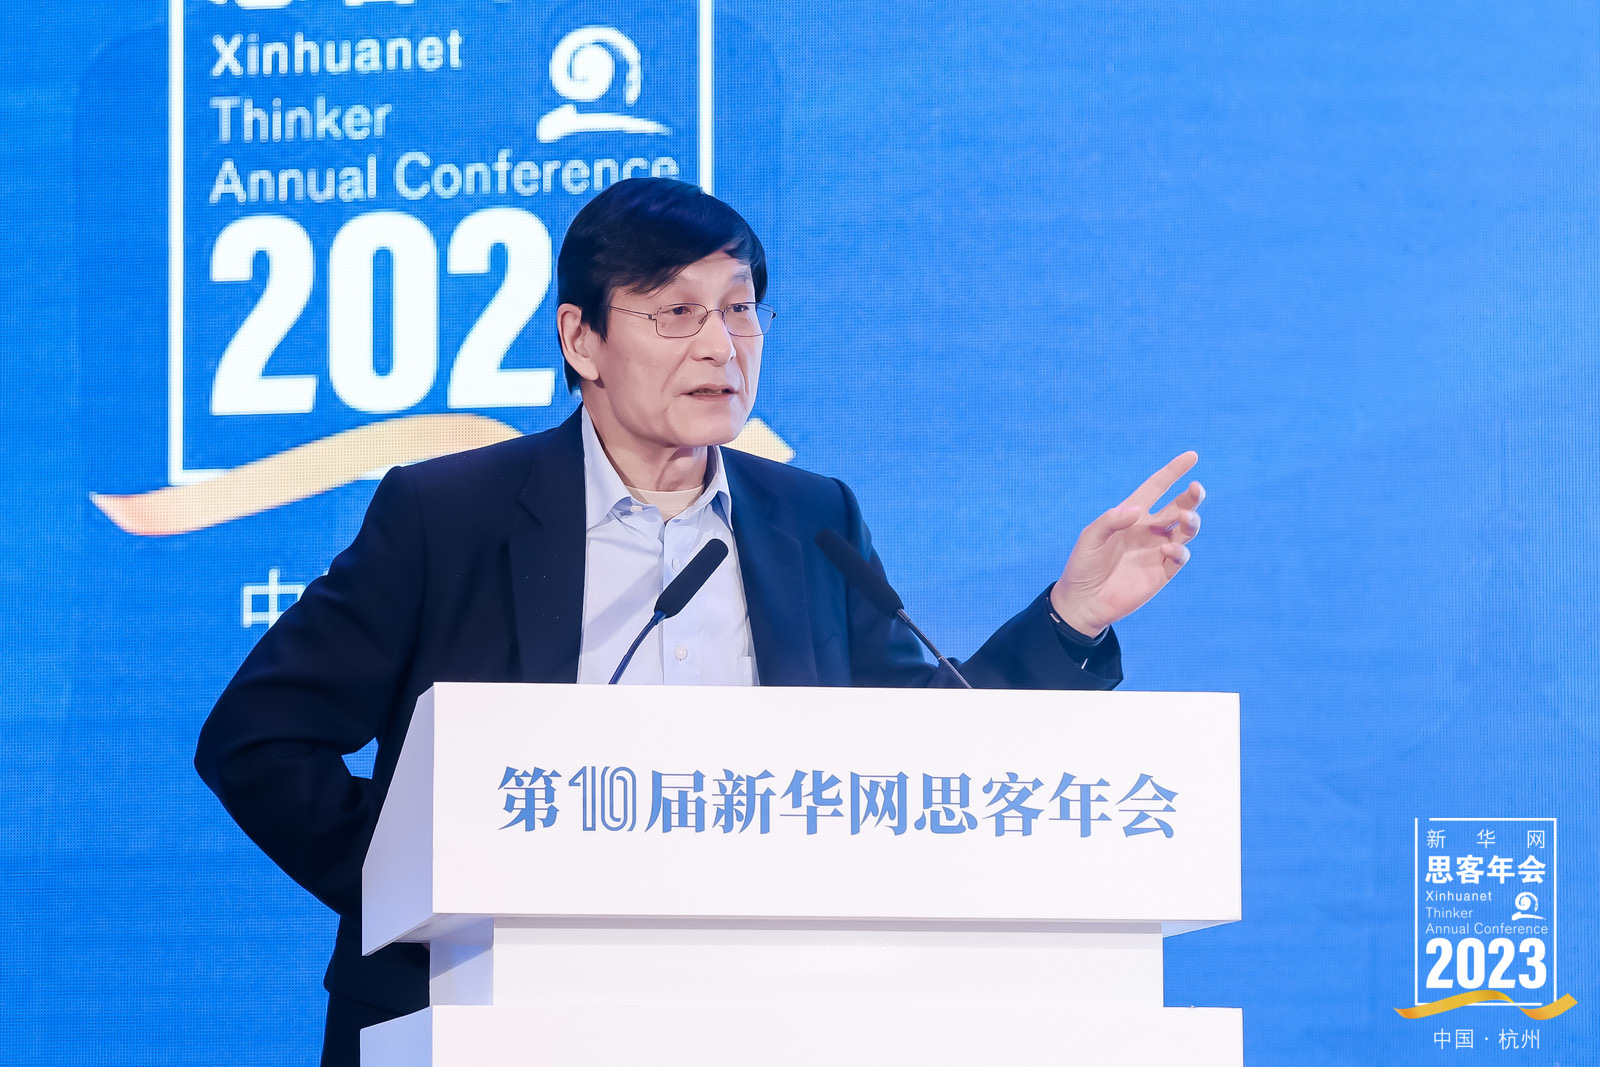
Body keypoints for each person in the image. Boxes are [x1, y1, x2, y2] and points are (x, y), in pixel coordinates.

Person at [194, 177, 1204, 1065]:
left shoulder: (812, 519)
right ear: (581, 339)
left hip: (761, 1016)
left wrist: (1072, 614)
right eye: (675, 312)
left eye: (740, 308)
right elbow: (258, 737)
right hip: (482, 1016)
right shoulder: (449, 515)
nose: (721, 344)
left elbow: (926, 755)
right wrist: (420, 882)